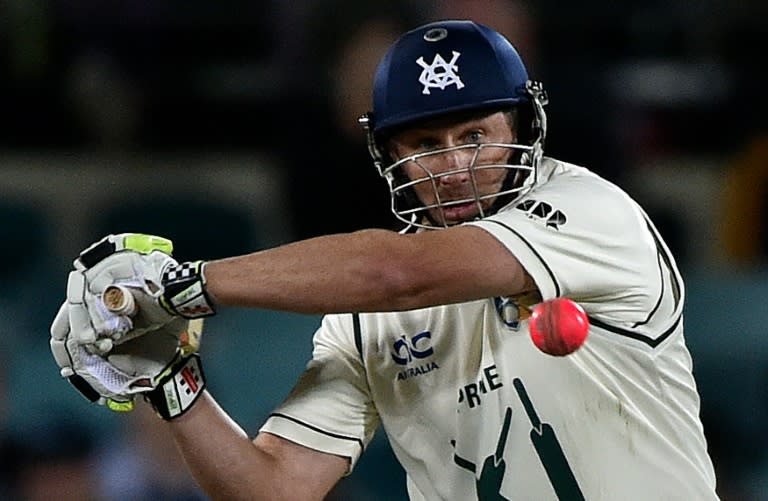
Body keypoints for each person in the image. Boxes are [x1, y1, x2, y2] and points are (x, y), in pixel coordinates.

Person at [50, 20, 719, 500]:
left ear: (523, 128)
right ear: (388, 158)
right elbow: (275, 488)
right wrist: (174, 387)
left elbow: (398, 275)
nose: (454, 166)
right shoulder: (365, 319)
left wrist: (181, 288)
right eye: (425, 142)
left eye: (475, 134)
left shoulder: (589, 211)